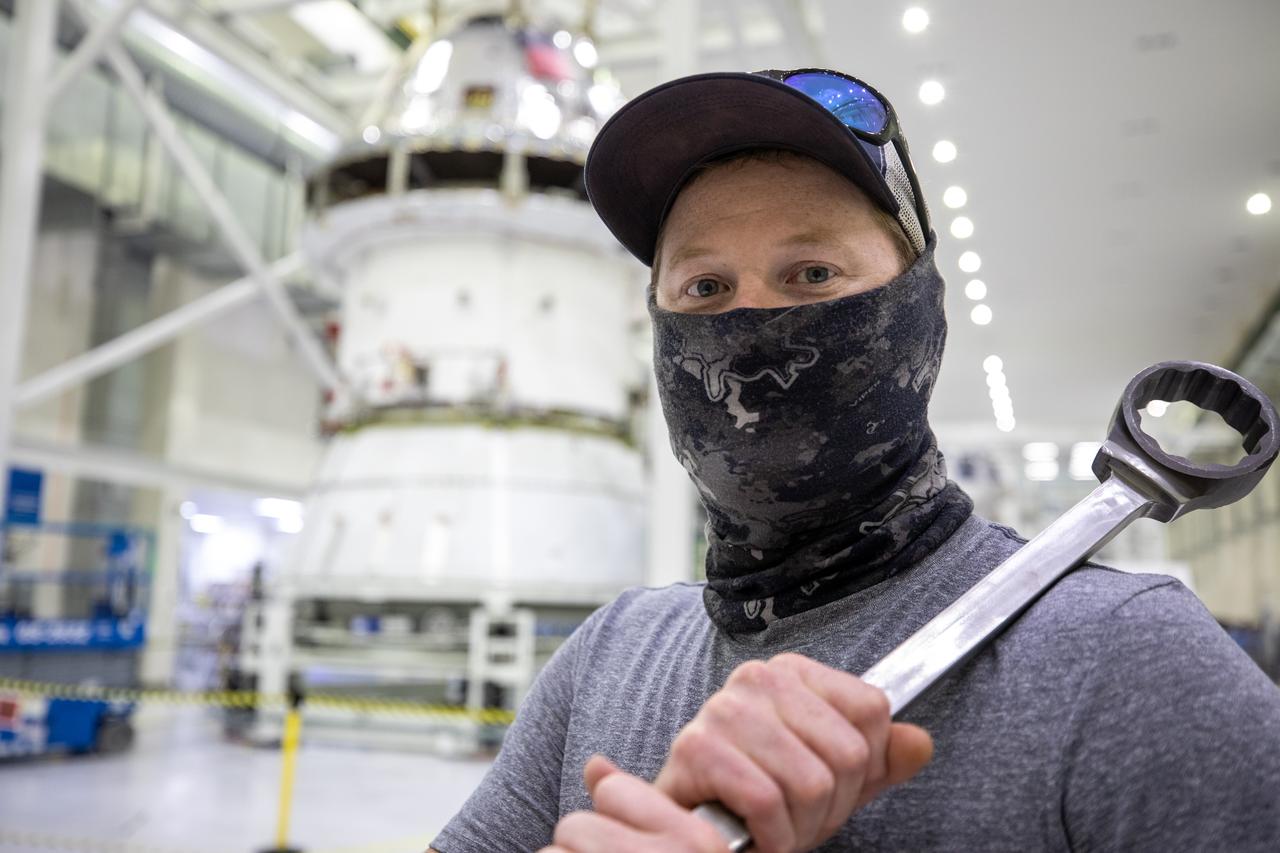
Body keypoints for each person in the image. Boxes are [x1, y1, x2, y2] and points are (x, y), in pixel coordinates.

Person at [429, 69, 1280, 853]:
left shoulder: (1125, 659)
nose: (751, 322)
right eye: (705, 288)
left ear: (924, 311)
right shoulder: (608, 656)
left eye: (811, 272)